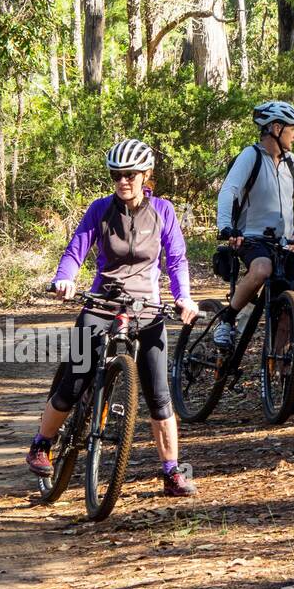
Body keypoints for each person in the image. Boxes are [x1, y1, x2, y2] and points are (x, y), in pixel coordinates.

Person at [24, 139, 200, 497]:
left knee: (159, 394)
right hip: (101, 303)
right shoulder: (100, 210)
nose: (123, 181)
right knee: (74, 381)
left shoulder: (163, 211)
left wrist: (183, 298)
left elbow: (176, 260)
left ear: (146, 175)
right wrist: (65, 277)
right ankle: (42, 444)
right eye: (116, 175)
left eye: (130, 175)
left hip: (147, 308)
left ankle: (171, 472)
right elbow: (77, 248)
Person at [214, 100, 294, 413]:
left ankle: (286, 389)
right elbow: (228, 190)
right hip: (251, 239)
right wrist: (226, 226)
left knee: (287, 314)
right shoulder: (251, 156)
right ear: (276, 129)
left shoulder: (290, 162)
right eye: (292, 129)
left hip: (285, 244)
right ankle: (228, 319)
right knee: (261, 270)